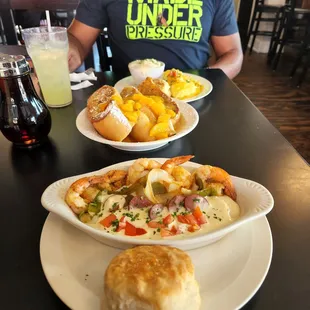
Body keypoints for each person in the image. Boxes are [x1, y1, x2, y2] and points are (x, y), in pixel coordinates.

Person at [68, 0, 243, 79]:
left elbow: (232, 53)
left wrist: (205, 83)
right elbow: (77, 38)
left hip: (191, 93)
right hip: (128, 94)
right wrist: (68, 50)